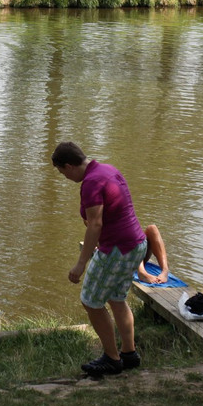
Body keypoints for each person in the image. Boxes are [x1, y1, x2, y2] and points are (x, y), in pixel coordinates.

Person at [52, 141, 148, 376]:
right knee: (116, 298)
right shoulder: (108, 170)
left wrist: (80, 264)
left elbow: (95, 224)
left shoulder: (91, 182)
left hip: (116, 249)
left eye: (62, 172)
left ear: (68, 166)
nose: (64, 177)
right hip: (136, 245)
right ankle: (128, 353)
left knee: (91, 301)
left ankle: (112, 359)